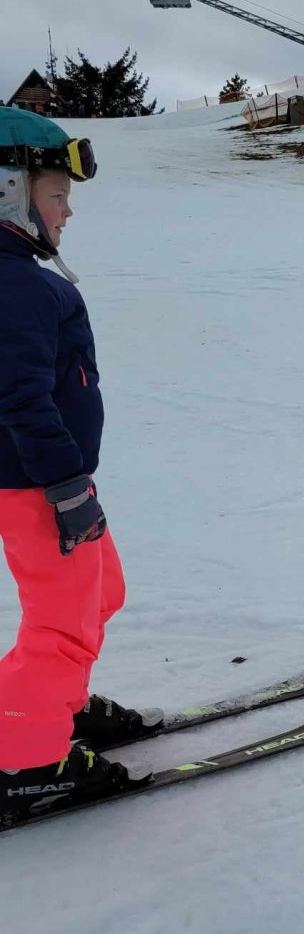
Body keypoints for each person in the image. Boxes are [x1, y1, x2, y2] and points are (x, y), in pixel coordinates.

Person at [0, 107, 158, 826]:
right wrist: (66, 490)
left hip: (48, 481)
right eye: (58, 194)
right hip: (37, 486)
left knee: (99, 592)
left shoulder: (21, 279)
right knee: (62, 623)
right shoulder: (18, 285)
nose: (67, 212)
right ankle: (25, 758)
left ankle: (51, 702)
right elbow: (18, 395)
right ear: (9, 191)